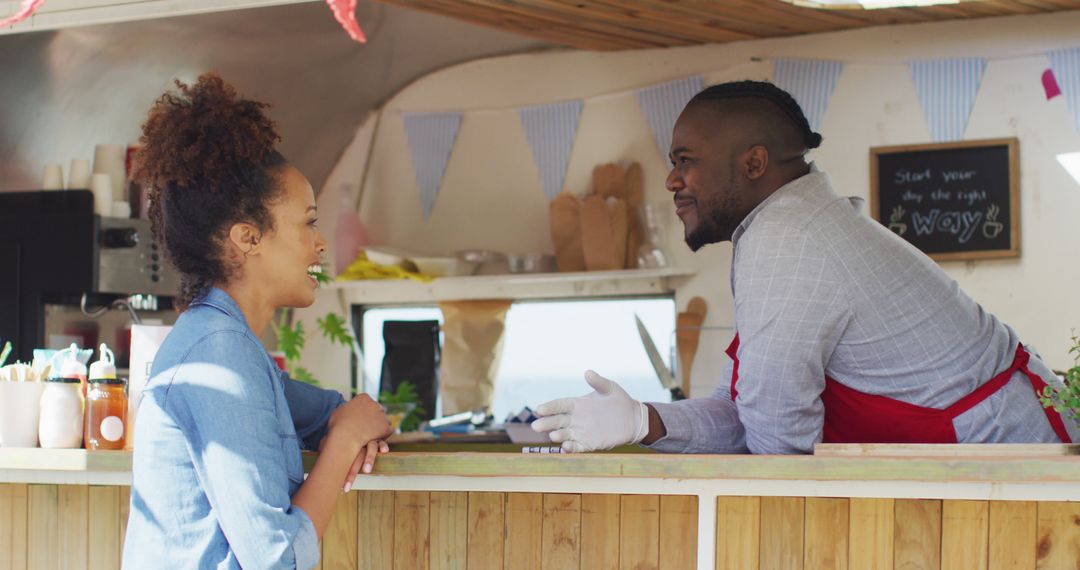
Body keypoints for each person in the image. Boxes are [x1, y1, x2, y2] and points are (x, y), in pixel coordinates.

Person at [532, 80, 1075, 455]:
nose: (672, 181)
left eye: (685, 161)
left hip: (1009, 465)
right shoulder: (792, 223)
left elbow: (776, 451)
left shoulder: (788, 242)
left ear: (754, 163)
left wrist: (645, 424)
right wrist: (640, 421)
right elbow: (750, 416)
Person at [122, 73, 393, 569]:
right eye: (308, 222)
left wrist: (352, 426)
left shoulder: (233, 350)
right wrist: (345, 443)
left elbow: (336, 413)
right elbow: (276, 560)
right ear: (248, 238)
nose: (321, 242)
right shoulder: (218, 360)